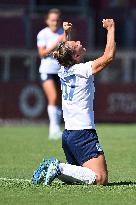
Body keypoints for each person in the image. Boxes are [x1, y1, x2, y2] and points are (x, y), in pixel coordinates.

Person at [32, 19, 116, 185]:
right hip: (82, 133)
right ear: (76, 56)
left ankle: (59, 169)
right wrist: (111, 29)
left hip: (69, 134)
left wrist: (66, 33)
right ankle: (59, 168)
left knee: (81, 177)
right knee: (100, 179)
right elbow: (108, 57)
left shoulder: (63, 69)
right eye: (75, 43)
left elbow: (64, 50)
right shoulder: (82, 70)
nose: (78, 42)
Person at [37, 8, 64, 140]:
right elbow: (42, 53)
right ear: (47, 21)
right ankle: (53, 130)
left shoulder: (63, 33)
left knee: (58, 100)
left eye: (57, 20)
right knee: (52, 97)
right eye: (52, 20)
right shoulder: (43, 34)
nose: (55, 22)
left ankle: (57, 128)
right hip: (47, 71)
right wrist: (56, 44)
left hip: (60, 71)